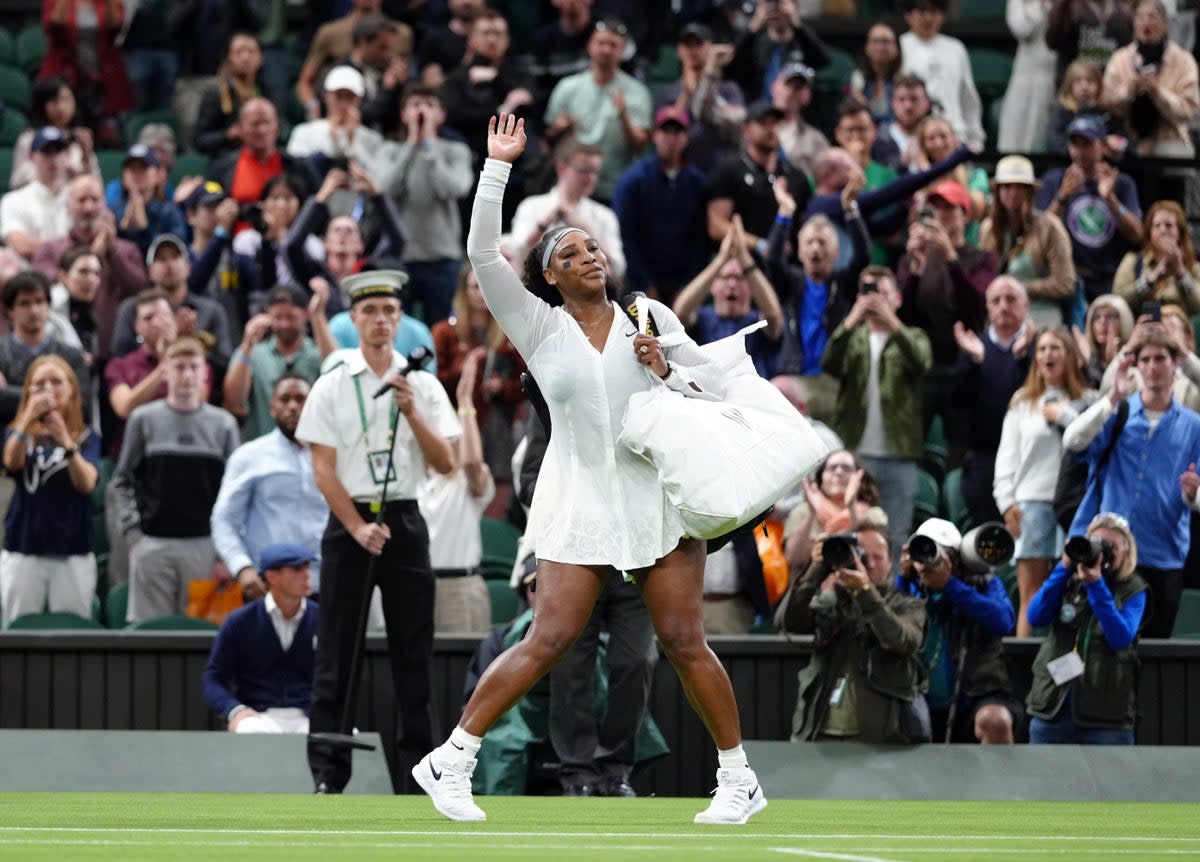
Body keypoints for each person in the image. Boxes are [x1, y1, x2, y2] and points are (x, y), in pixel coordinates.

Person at [414, 113, 768, 826]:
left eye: (595, 248)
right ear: (550, 275)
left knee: (681, 640)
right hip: (575, 499)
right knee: (547, 638)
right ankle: (453, 759)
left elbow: (716, 393)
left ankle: (739, 779)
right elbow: (483, 251)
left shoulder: (651, 317)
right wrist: (498, 167)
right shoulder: (538, 327)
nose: (592, 256)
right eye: (574, 252)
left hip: (654, 498)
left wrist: (667, 369)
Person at [295, 269, 460, 795]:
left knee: (414, 650)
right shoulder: (332, 384)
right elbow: (323, 468)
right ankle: (327, 773)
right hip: (349, 523)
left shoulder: (424, 383)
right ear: (353, 319)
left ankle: (418, 777)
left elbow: (447, 463)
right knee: (336, 650)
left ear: (400, 318)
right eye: (370, 312)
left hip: (405, 519)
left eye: (390, 311)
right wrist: (356, 526)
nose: (382, 320)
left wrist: (411, 412)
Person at [1062, 327, 1200, 637]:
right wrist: (1111, 396)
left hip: (1163, 555)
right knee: (1101, 647)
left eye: (1161, 358)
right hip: (1111, 553)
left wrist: (1193, 495)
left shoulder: (1194, 425)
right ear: (1137, 366)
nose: (1153, 366)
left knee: (1154, 655)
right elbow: (1072, 442)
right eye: (1146, 359)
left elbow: (1197, 494)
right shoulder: (1117, 412)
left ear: (1176, 364)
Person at [110, 337, 239, 623]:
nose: (187, 375)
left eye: (194, 367)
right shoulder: (143, 419)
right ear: (165, 372)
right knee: (150, 633)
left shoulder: (223, 424)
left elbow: (233, 493)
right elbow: (121, 480)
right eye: (179, 367)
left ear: (205, 372)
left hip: (204, 544)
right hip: (153, 542)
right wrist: (134, 534)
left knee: (201, 635)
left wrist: (223, 553)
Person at [776, 525, 928, 742]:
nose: (871, 564)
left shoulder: (907, 604)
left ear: (890, 562)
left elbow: (901, 640)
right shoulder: (833, 601)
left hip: (880, 737)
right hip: (819, 730)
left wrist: (865, 593)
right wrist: (817, 569)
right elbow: (788, 622)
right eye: (864, 557)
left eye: (879, 557)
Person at [822, 266, 932, 554]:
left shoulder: (914, 336)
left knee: (895, 540)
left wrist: (894, 325)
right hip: (856, 457)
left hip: (899, 456)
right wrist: (851, 320)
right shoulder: (853, 337)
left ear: (897, 298)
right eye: (869, 293)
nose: (875, 301)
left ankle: (891, 598)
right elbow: (829, 364)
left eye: (882, 293)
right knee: (850, 534)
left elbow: (922, 362)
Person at [994, 328, 1095, 637]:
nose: (1048, 354)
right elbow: (1006, 457)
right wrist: (1006, 502)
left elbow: (1094, 442)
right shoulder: (1022, 403)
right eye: (1042, 349)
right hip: (1032, 503)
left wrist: (1065, 415)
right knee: (1032, 594)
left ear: (1070, 356)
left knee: (1074, 592)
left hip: (1075, 504)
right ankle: (1024, 674)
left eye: (1056, 348)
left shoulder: (1089, 401)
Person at [896, 518, 1020, 744]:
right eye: (925, 552)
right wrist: (903, 579)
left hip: (973, 695)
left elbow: (1004, 621)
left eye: (946, 556)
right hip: (913, 696)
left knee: (995, 719)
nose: (932, 561)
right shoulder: (907, 586)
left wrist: (950, 586)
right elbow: (888, 619)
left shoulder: (981, 583)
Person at [1027, 512, 1147, 744]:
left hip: (1106, 716)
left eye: (1110, 546)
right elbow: (1036, 617)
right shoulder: (1068, 579)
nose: (1101, 552)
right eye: (1096, 544)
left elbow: (1120, 638)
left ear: (1127, 551)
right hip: (1052, 706)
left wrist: (1096, 586)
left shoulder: (1134, 589)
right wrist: (1063, 568)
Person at [212, 374, 329, 604]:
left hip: (322, 583)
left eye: (301, 399)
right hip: (266, 583)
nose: (293, 406)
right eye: (284, 400)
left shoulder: (332, 456)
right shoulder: (250, 456)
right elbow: (224, 520)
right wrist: (242, 567)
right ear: (272, 407)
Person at [363, 84, 475, 325]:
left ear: (441, 115)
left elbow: (456, 188)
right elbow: (384, 188)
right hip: (400, 258)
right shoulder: (389, 151)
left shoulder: (455, 151)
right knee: (397, 327)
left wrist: (429, 148)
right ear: (404, 114)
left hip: (442, 258)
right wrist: (411, 145)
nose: (421, 110)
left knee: (441, 327)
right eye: (415, 104)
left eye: (429, 105)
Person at [0, 356, 99, 627]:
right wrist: (26, 419)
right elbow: (12, 461)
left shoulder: (86, 437)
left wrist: (65, 439)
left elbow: (87, 483)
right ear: (28, 391)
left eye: (56, 382)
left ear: (72, 391)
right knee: (16, 629)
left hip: (72, 551)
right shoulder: (16, 433)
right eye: (39, 383)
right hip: (23, 549)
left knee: (73, 632)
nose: (48, 389)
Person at [201, 542, 320, 733]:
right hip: (257, 715)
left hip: (309, 714)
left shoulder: (324, 620)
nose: (307, 575)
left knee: (337, 734)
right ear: (272, 576)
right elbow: (213, 678)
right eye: (297, 569)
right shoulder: (240, 621)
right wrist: (234, 710)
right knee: (250, 730)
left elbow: (337, 676)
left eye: (307, 567)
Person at [30, 176, 148, 362]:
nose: (89, 208)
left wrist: (113, 252)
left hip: (119, 354)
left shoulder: (127, 250)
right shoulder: (50, 250)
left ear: (105, 204)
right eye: (81, 200)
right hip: (64, 354)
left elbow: (142, 290)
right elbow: (41, 289)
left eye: (95, 200)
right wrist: (93, 256)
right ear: (68, 205)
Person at [952, 276, 1035, 528]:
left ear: (1026, 305)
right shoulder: (974, 346)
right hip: (985, 457)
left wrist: (1023, 359)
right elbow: (958, 402)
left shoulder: (1040, 348)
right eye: (996, 300)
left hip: (1030, 459)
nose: (1004, 306)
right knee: (990, 537)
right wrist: (976, 363)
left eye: (1011, 299)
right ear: (987, 307)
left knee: (1027, 537)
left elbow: (1043, 393)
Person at [421, 349, 494, 634]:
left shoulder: (465, 483)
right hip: (419, 587)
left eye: (452, 436)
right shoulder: (413, 481)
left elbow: (473, 462)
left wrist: (465, 403)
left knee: (464, 674)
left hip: (460, 588)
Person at [1034, 115, 1143, 303]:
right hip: (1067, 278)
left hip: (1108, 279)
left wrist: (1111, 199)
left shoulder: (1122, 183)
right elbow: (1036, 236)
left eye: (1087, 144)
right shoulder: (1054, 180)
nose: (1080, 151)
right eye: (1075, 144)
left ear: (1102, 146)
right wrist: (1061, 197)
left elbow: (1137, 235)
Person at [430, 265, 524, 480]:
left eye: (486, 286)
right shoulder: (445, 332)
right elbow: (434, 385)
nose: (481, 293)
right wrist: (461, 370)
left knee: (500, 488)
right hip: (457, 421)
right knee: (461, 483)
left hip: (500, 423)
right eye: (474, 287)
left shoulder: (512, 329)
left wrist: (502, 386)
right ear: (464, 291)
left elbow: (529, 382)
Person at [543, 19, 653, 202]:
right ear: (590, 46)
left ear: (623, 50)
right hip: (571, 186)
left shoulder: (637, 92)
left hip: (615, 187)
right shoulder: (568, 87)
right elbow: (548, 140)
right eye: (601, 43)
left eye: (613, 45)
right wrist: (560, 128)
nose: (606, 50)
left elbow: (641, 144)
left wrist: (624, 116)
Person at [612, 106, 711, 305]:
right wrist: (646, 283)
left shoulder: (698, 182)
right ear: (655, 135)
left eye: (678, 132)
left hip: (683, 282)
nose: (671, 138)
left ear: (686, 137)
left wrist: (688, 284)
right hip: (639, 280)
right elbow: (625, 234)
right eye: (665, 131)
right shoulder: (634, 180)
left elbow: (701, 239)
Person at [673, 214, 783, 379]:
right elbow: (680, 312)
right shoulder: (702, 319)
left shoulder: (758, 323)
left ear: (751, 286)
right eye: (725, 278)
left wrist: (744, 258)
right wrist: (721, 259)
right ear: (713, 286)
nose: (732, 284)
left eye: (739, 278)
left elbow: (774, 315)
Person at [222, 284, 335, 441]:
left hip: (311, 450)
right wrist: (247, 344)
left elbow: (337, 372)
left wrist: (318, 316)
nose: (284, 324)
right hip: (262, 447)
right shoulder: (253, 353)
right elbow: (234, 404)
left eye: (291, 317)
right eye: (278, 317)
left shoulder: (317, 353)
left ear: (305, 315)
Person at [979, 156, 1076, 328]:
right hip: (999, 321)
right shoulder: (988, 228)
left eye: (1020, 187)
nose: (1013, 193)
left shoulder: (1049, 226)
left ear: (1030, 192)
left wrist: (1019, 288)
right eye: (1007, 187)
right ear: (998, 191)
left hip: (1041, 319)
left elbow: (1065, 283)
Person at [509, 140, 626, 281]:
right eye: (583, 171)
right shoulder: (532, 206)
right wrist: (544, 224)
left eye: (595, 172)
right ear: (561, 168)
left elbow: (618, 268)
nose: (591, 179)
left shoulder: (604, 215)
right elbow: (517, 253)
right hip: (538, 291)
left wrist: (587, 233)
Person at [1101, 0, 1200, 158]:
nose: (1146, 23)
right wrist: (1128, 91)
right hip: (1127, 141)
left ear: (1165, 23)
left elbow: (1189, 110)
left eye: (1152, 17)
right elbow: (1107, 101)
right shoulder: (1120, 59)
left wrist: (1158, 93)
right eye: (1140, 17)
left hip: (1170, 142)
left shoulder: (1183, 60)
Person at [0, 272, 90, 430]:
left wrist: (10, 393)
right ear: (10, 310)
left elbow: (80, 405)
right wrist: (57, 393)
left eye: (39, 302)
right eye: (24, 303)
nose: (34, 310)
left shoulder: (72, 355)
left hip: (61, 444)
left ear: (48, 306)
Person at [653, 22, 747, 174]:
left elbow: (736, 120)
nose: (693, 50)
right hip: (683, 173)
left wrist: (711, 70)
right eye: (687, 44)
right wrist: (687, 95)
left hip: (720, 169)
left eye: (699, 44)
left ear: (710, 48)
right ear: (679, 50)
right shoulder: (668, 94)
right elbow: (665, 132)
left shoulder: (728, 89)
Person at [899, 0, 985, 149]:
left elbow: (968, 98)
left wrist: (975, 137)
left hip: (954, 134)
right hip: (913, 140)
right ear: (908, 15)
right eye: (921, 11)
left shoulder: (956, 48)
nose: (928, 18)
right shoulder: (900, 46)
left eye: (933, 11)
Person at [783, 449, 886, 574]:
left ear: (858, 477)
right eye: (832, 468)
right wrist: (812, 513)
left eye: (846, 468)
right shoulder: (802, 512)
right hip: (811, 588)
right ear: (821, 477)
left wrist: (852, 508)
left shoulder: (873, 515)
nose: (838, 472)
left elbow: (871, 560)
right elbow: (794, 559)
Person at [9, 77, 100, 191]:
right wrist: (52, 169)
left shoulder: (80, 140)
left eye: (66, 99)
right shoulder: (29, 139)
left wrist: (86, 157)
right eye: (55, 101)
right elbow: (16, 183)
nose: (61, 107)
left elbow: (96, 188)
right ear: (43, 105)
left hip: (71, 205)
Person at [1113, 200, 1200, 317]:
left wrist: (1180, 273)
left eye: (1168, 225)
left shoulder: (1193, 267)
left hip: (1178, 332)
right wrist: (1149, 281)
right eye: (1157, 225)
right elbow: (1116, 303)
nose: (1163, 230)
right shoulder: (1133, 262)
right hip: (1143, 331)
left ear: (1180, 232)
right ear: (1150, 233)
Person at [286, 66, 385, 166]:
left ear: (360, 99)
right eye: (339, 96)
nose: (344, 103)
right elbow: (295, 170)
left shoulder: (373, 139)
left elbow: (377, 175)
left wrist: (352, 138)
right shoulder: (304, 132)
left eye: (350, 97)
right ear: (326, 95)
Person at [0, 128, 74, 260]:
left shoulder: (81, 198)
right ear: (31, 156)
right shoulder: (13, 200)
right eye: (47, 152)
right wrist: (72, 250)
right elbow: (20, 244)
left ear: (67, 155)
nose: (54, 158)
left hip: (77, 275)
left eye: (59, 151)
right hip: (29, 276)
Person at [192, 33, 266, 159]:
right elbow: (200, 141)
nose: (245, 57)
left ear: (261, 58)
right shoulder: (215, 93)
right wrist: (228, 135)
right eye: (239, 52)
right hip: (228, 160)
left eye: (251, 52)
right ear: (228, 59)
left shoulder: (266, 92)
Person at [109, 145, 189, 257]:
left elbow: (178, 249)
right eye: (132, 169)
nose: (136, 174)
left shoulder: (170, 212)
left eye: (143, 168)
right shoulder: (113, 211)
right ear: (123, 175)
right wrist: (123, 230)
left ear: (157, 175)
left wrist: (144, 230)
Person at [1000, 0, 1058, 153]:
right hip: (1026, 74)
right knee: (1017, 129)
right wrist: (1039, 4)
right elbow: (1020, 28)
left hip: (1056, 74)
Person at [1045, 60, 1112, 155]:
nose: (1084, 87)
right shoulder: (1060, 110)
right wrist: (1082, 151)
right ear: (1069, 86)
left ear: (1099, 85)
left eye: (1090, 81)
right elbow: (1054, 142)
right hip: (1064, 163)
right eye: (1078, 82)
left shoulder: (1105, 113)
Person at [847, 23, 902, 125]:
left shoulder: (905, 81)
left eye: (886, 42)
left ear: (897, 48)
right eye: (875, 41)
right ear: (867, 47)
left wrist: (866, 108)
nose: (880, 47)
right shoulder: (854, 80)